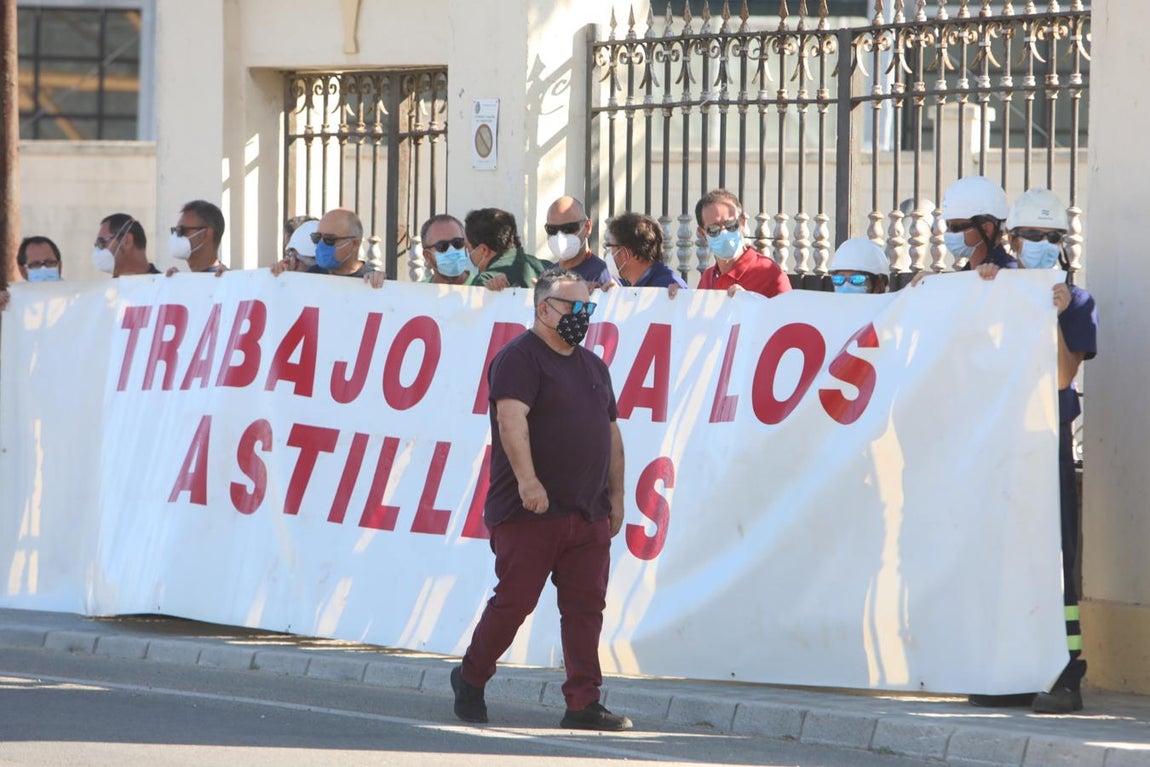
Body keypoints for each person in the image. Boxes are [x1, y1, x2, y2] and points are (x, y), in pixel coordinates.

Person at [452, 270, 630, 732]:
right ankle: (470, 678)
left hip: (586, 511)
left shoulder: (594, 366)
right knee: (515, 601)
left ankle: (583, 702)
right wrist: (529, 483)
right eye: (574, 308)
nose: (583, 317)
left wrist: (617, 495)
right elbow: (512, 422)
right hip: (530, 511)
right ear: (543, 308)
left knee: (585, 608)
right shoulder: (518, 359)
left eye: (588, 308)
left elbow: (610, 433)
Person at [971, 188, 1097, 714]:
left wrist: (1056, 317)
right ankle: (1010, 672)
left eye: (1053, 238)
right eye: (1034, 237)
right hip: (998, 444)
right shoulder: (991, 289)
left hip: (1046, 446)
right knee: (1000, 557)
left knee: (1057, 558)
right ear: (1014, 240)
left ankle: (1067, 675)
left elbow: (1066, 374)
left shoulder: (1077, 302)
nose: (1043, 246)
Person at [695, 189, 791, 298]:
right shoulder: (707, 278)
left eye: (731, 224)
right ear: (703, 234)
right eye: (713, 229)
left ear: (742, 222)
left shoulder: (769, 273)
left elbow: (789, 313)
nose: (724, 233)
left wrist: (751, 303)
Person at [269, 208, 384, 288]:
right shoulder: (312, 275)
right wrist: (278, 277)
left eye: (330, 240)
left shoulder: (372, 281)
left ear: (354, 244)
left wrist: (382, 283)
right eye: (317, 238)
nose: (321, 245)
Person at [940, 175, 1016, 273]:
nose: (948, 232)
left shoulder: (1008, 273)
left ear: (987, 229)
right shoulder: (965, 274)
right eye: (947, 225)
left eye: (955, 227)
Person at [464, 208, 548, 291]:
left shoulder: (486, 281)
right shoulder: (545, 267)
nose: (467, 255)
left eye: (468, 249)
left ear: (483, 250)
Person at [602, 212, 685, 293]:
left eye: (611, 247)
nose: (610, 254)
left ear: (624, 253)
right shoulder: (626, 285)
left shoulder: (666, 287)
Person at [544, 196, 611, 287]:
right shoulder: (547, 276)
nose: (560, 236)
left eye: (569, 228)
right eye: (552, 229)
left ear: (587, 227)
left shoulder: (602, 276)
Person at [0, 236, 63, 311]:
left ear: (60, 266)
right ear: (22, 271)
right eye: (35, 264)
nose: (43, 269)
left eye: (49, 263)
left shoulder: (76, 298)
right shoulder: (10, 302)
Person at [167, 199, 228, 276]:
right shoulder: (183, 282)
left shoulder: (232, 282)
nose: (177, 236)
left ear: (207, 233)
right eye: (175, 230)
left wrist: (229, 281)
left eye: (182, 230)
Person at [93, 214, 160, 277]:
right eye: (96, 244)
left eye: (101, 242)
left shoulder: (166, 285)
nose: (98, 250)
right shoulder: (105, 288)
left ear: (126, 241)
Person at [420, 214, 472, 285]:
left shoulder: (483, 289)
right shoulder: (417, 293)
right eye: (442, 246)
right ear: (427, 256)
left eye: (457, 243)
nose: (452, 250)